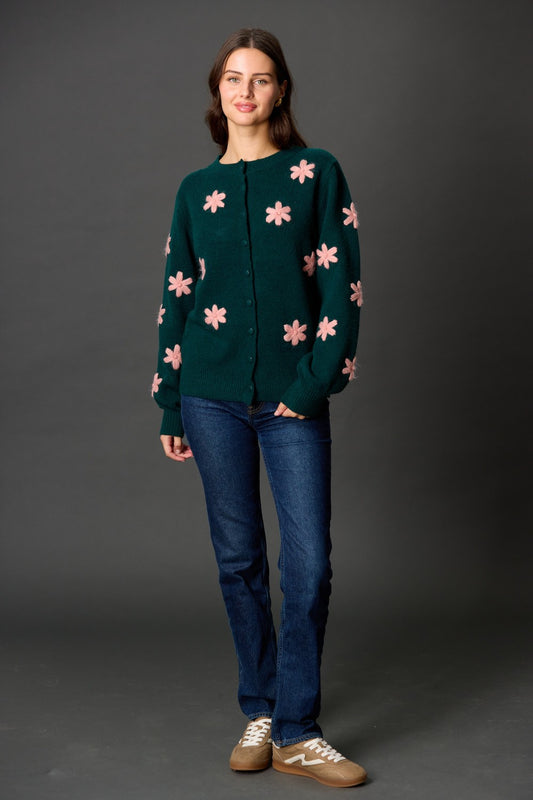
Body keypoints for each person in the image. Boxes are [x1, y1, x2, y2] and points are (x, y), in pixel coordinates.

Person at [151, 28, 366, 789]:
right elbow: (177, 299)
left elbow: (341, 286)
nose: (246, 91)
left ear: (280, 92)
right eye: (234, 78)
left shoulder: (315, 172)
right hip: (209, 398)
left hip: (291, 401)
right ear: (217, 91)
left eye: (262, 78)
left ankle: (300, 731)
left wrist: (311, 385)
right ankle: (264, 711)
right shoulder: (193, 191)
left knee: (307, 566)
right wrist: (170, 404)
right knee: (238, 560)